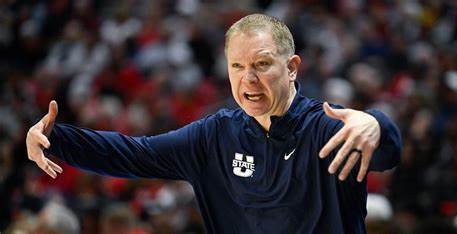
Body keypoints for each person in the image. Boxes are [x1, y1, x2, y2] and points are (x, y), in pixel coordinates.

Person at [26, 14, 401, 233]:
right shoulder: (214, 136)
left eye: (261, 64)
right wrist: (53, 138)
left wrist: (376, 124)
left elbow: (386, 154)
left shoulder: (327, 126)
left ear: (291, 68)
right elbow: (134, 154)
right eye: (237, 66)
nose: (247, 79)